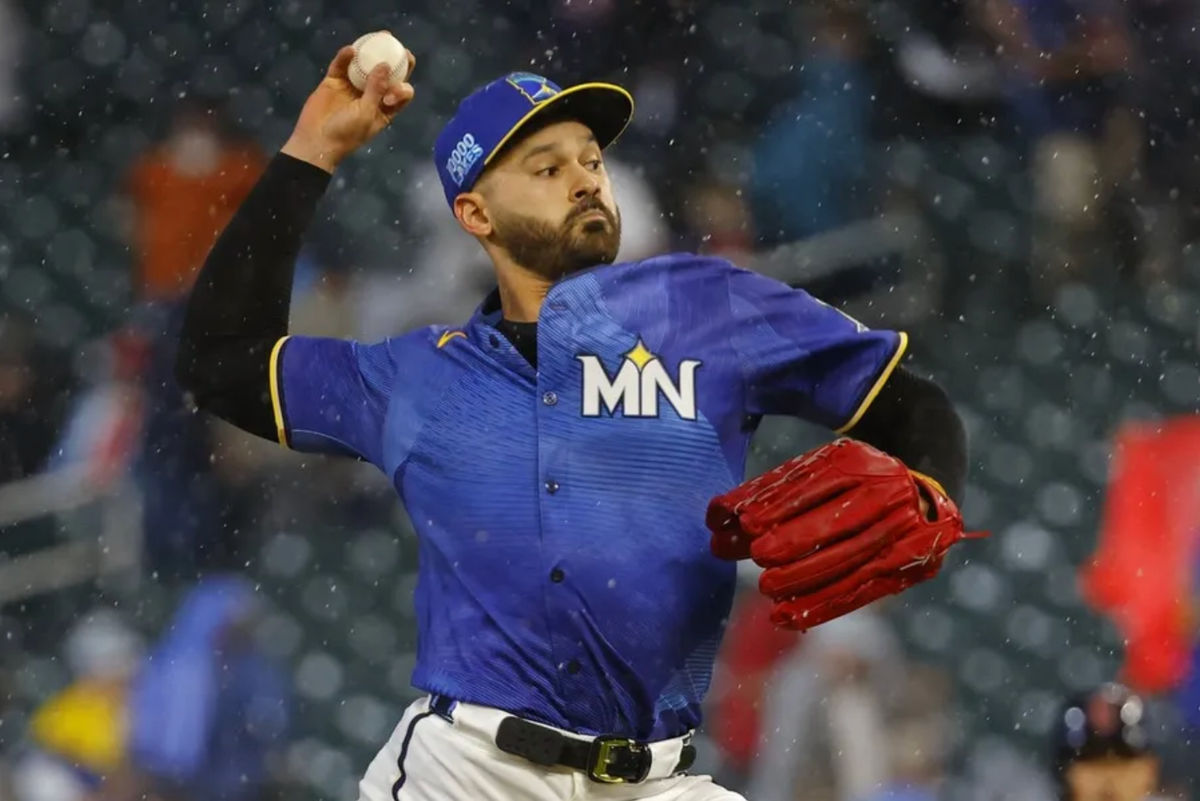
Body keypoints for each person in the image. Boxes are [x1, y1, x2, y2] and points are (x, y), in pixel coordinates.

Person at [175, 39, 968, 801]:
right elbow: (221, 363)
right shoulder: (414, 378)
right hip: (471, 772)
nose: (587, 181)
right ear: (475, 213)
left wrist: (930, 485)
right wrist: (312, 148)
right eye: (547, 168)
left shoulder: (705, 304)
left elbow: (909, 401)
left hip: (659, 776)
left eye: (593, 160)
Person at [1051, 683, 1165, 801]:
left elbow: (1148, 764)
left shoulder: (1134, 736)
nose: (1102, 716)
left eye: (1107, 710)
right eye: (1098, 710)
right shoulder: (1075, 739)